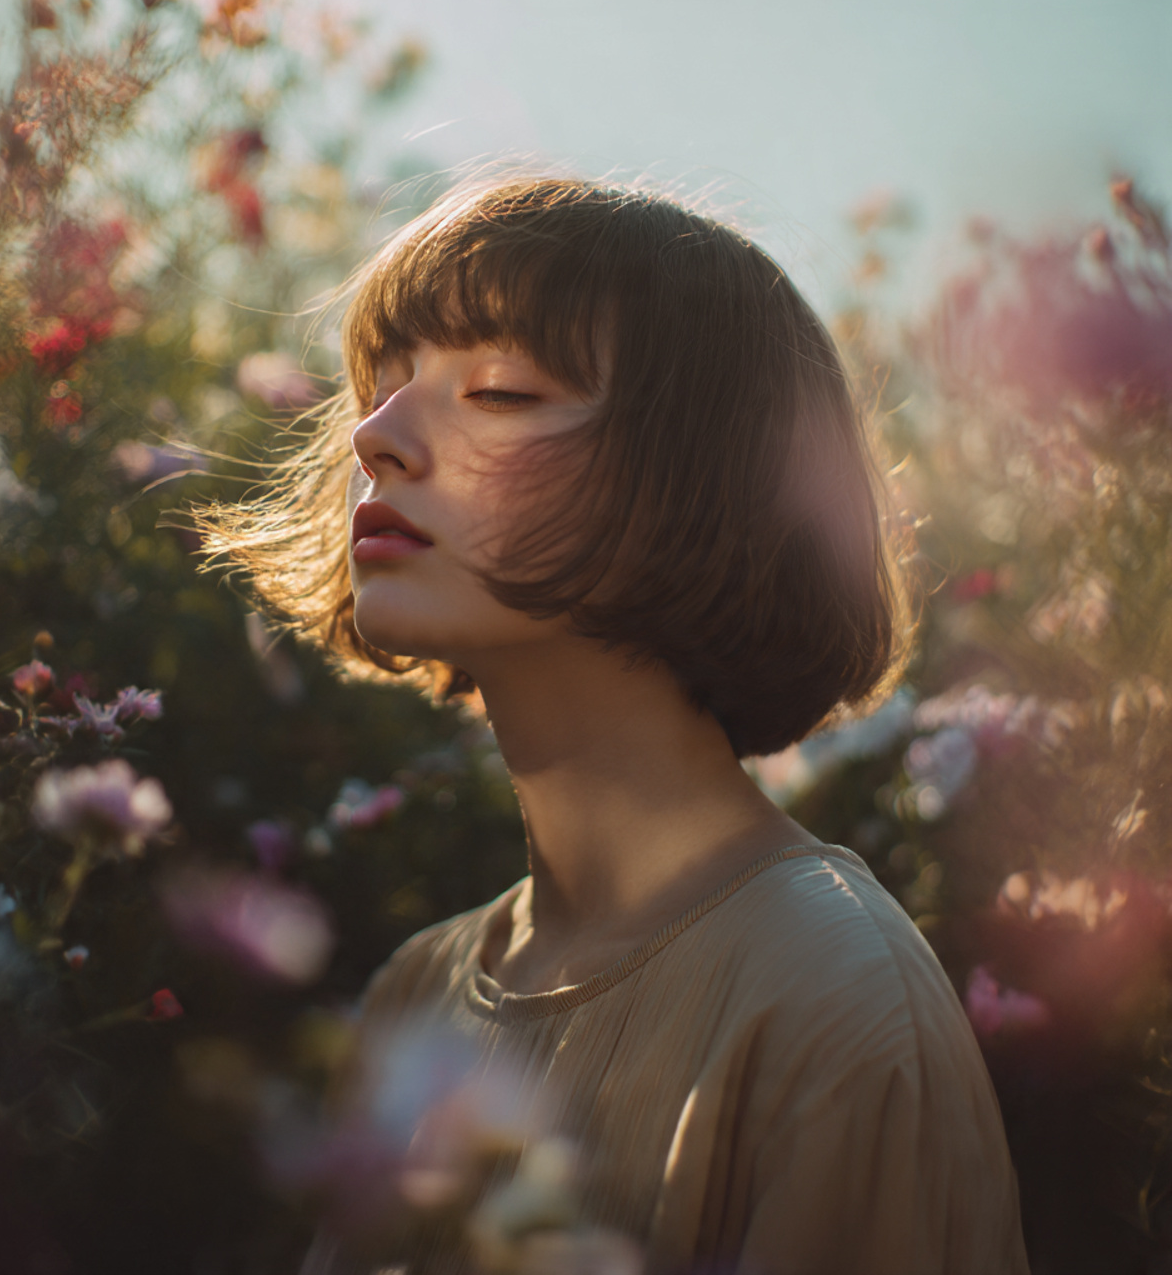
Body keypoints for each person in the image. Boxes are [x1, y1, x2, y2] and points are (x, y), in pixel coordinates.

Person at [207, 176, 1030, 1274]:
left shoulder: (833, 999)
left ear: (700, 475)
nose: (375, 435)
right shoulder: (420, 989)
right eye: (385, 381)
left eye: (497, 389)